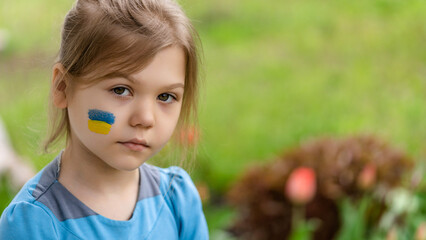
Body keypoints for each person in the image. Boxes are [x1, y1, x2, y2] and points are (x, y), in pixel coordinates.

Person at [0, 0, 208, 239]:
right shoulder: (34, 222)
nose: (145, 118)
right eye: (121, 90)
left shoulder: (177, 200)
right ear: (62, 87)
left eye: (165, 96)